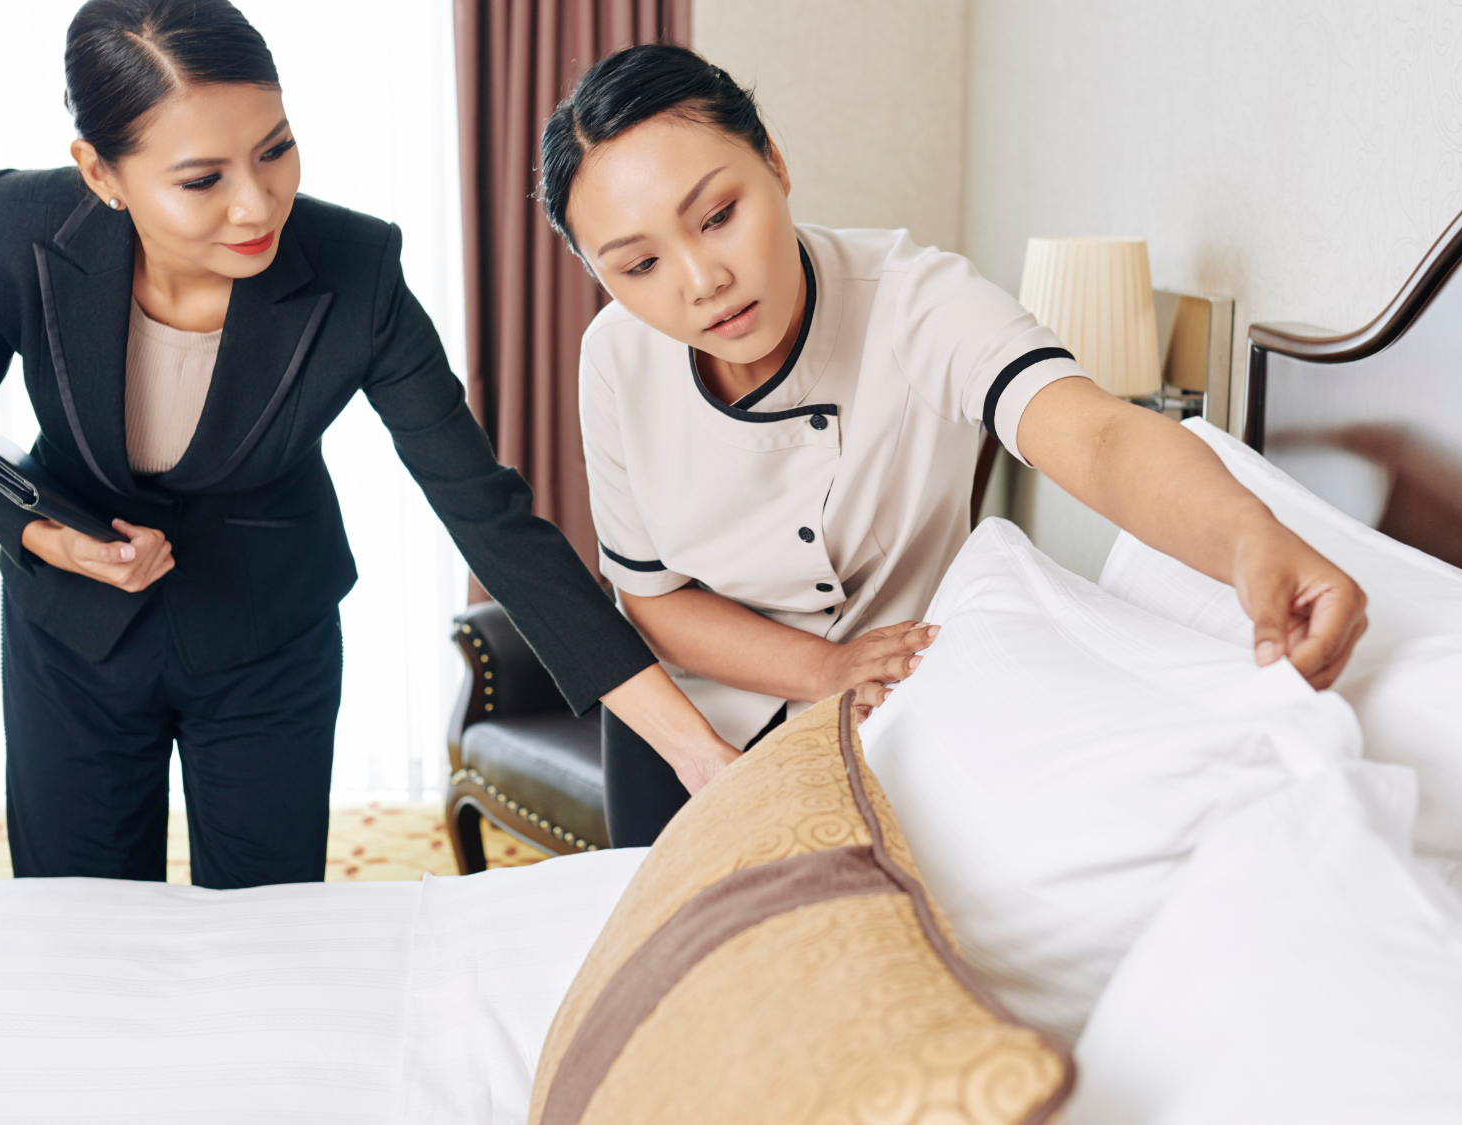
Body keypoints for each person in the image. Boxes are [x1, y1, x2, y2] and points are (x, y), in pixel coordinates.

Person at [0, 0, 739, 889]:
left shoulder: (354, 268)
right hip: (71, 634)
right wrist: (41, 534)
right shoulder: (16, 226)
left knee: (268, 939)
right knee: (78, 925)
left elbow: (487, 514)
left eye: (275, 148)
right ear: (101, 174)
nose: (257, 204)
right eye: (200, 179)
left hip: (267, 637)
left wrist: (692, 747)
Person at [540, 44, 1372, 847]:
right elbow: (653, 598)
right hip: (684, 730)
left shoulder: (915, 302)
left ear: (777, 163)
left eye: (718, 216)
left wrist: (1251, 541)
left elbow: (1100, 435)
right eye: (640, 265)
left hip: (884, 718)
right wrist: (822, 667)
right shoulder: (615, 359)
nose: (700, 280)